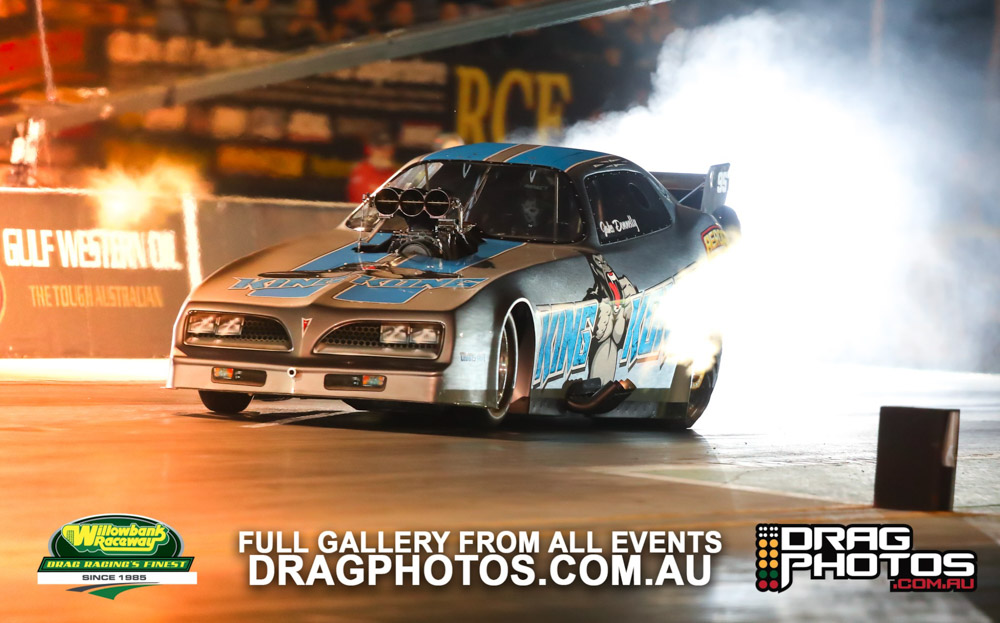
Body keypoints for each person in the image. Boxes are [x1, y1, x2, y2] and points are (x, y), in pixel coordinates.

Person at [347, 132, 397, 203]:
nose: (383, 153)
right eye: (379, 149)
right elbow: (364, 200)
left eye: (387, 149)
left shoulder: (395, 174)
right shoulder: (360, 171)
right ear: (369, 149)